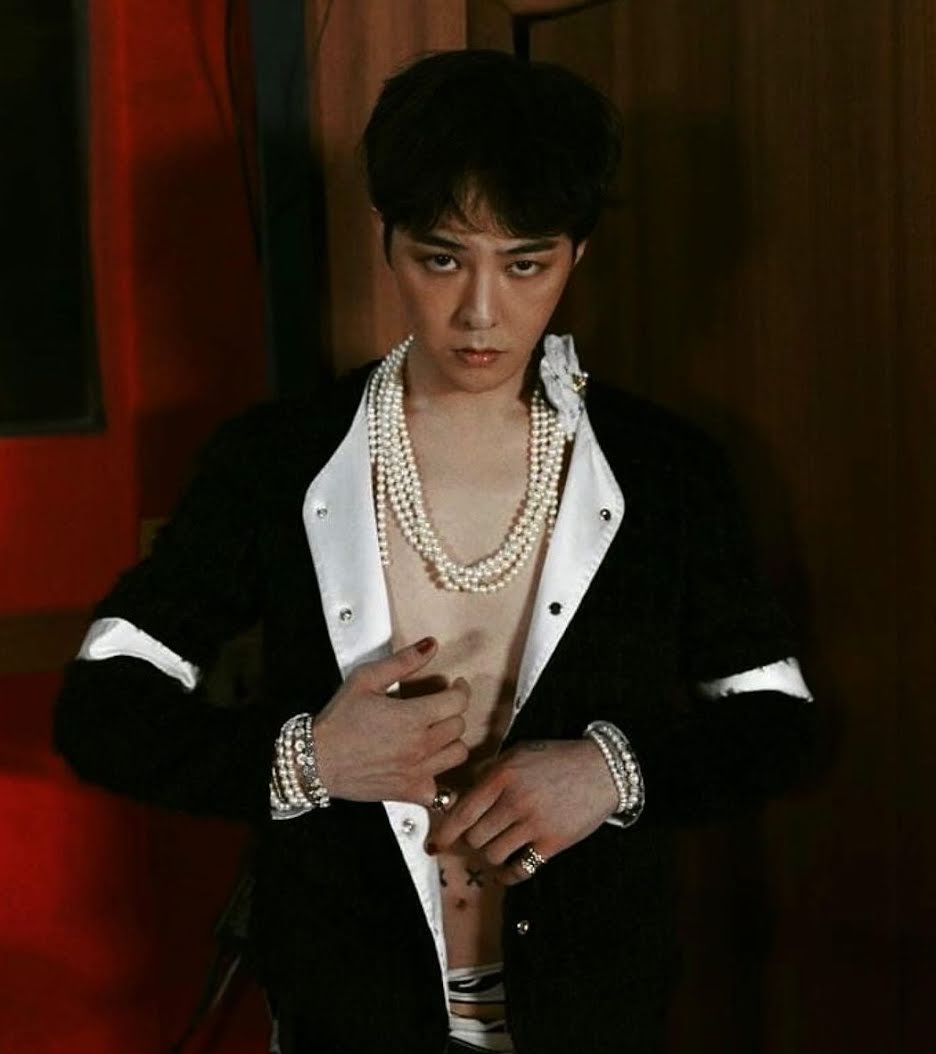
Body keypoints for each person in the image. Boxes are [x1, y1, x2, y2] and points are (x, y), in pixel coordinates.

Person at [55, 49, 816, 1054]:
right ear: (387, 238)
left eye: (526, 263)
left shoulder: (666, 470)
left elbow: (778, 719)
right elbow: (100, 704)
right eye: (443, 258)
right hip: (348, 1017)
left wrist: (613, 771)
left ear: (577, 255)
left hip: (590, 1015)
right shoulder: (277, 461)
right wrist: (305, 759)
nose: (480, 313)